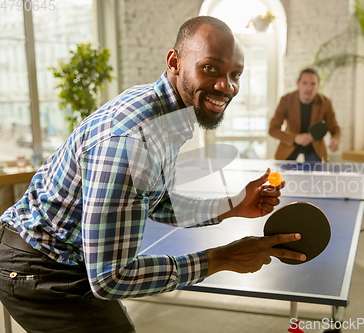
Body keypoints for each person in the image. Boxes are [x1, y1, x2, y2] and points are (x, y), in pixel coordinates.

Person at [0, 16, 305, 332]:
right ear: (175, 61)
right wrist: (221, 258)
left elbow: (159, 203)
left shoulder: (165, 112)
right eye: (210, 68)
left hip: (62, 257)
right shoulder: (132, 144)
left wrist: (233, 205)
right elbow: (109, 279)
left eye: (235, 75)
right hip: (38, 266)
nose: (225, 86)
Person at [269, 68, 341, 162]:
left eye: (313, 84)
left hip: (314, 146)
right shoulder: (286, 100)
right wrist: (295, 138)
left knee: (316, 175)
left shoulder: (325, 103)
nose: (309, 88)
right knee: (282, 174)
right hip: (290, 143)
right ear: (297, 84)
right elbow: (273, 129)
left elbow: (334, 128)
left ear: (318, 85)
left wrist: (335, 140)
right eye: (305, 83)